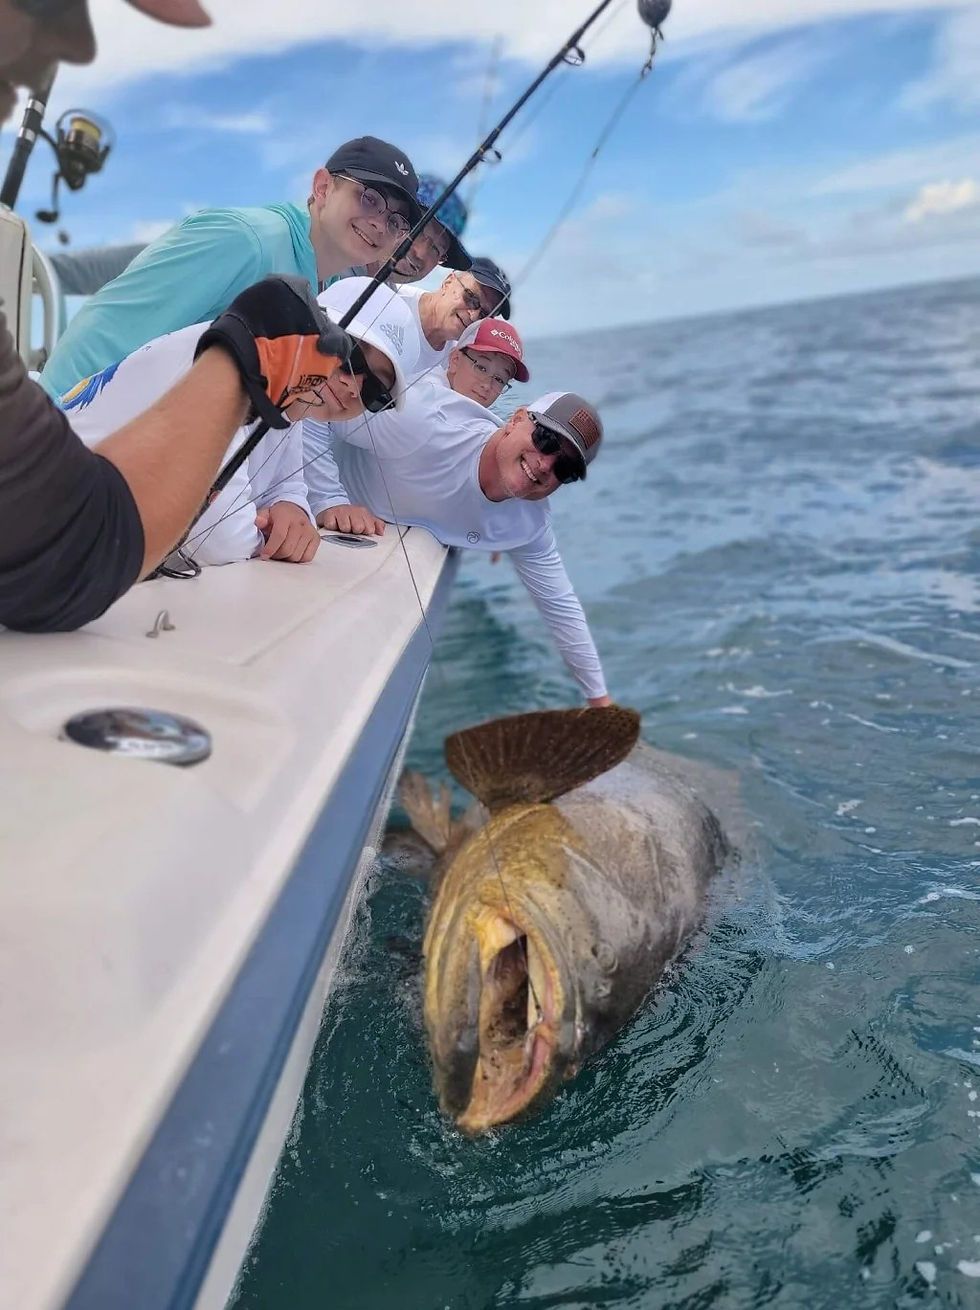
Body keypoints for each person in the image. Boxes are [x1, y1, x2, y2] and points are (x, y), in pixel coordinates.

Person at [0, 0, 353, 632]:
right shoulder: (252, 241)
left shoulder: (297, 275)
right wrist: (46, 445)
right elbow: (121, 331)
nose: (77, 46)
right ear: (322, 188)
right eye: (46, 4)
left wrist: (288, 498)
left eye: (410, 226)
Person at [302, 287, 610, 705]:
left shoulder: (529, 523)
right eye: (544, 439)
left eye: (566, 469)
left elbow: (560, 605)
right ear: (516, 419)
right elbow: (314, 404)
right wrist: (327, 498)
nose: (545, 464)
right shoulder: (420, 422)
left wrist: (599, 701)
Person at [40, 135, 423, 398]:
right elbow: (104, 334)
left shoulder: (326, 284)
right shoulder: (247, 241)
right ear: (322, 187)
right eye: (369, 198)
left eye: (396, 222)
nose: (379, 223)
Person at [57, 288, 415, 568]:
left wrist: (291, 508)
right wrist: (269, 535)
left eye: (376, 391)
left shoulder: (293, 391)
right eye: (350, 356)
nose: (354, 386)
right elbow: (215, 541)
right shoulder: (228, 359)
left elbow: (286, 484)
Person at [395, 257, 514, 380]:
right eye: (471, 299)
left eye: (484, 315)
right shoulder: (391, 300)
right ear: (448, 282)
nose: (473, 316)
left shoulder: (460, 357)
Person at [343, 173, 471, 286]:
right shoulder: (331, 260)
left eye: (436, 250)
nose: (420, 253)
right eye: (417, 229)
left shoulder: (385, 296)